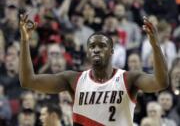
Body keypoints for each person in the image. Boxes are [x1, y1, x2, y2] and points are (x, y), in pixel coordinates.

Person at [19, 14, 169, 125]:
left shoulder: (128, 79)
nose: (96, 49)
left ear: (112, 51)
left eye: (102, 46)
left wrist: (155, 45)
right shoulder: (74, 79)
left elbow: (160, 83)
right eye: (92, 46)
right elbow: (28, 81)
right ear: (88, 52)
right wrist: (25, 41)